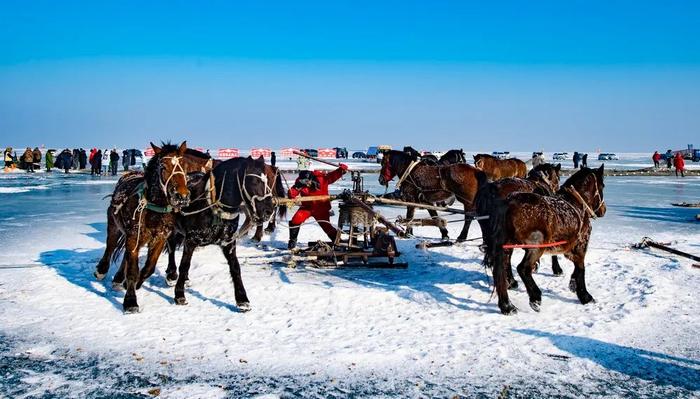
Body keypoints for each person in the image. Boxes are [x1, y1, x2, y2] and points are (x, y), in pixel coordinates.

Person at [287, 164, 349, 249]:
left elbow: (332, 176)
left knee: (326, 227)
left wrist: (341, 170)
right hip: (307, 207)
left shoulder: (322, 178)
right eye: (305, 183)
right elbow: (292, 194)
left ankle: (337, 241)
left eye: (308, 182)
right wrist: (296, 188)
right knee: (295, 220)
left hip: (321, 208)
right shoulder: (300, 182)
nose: (307, 184)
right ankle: (292, 241)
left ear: (311, 178)